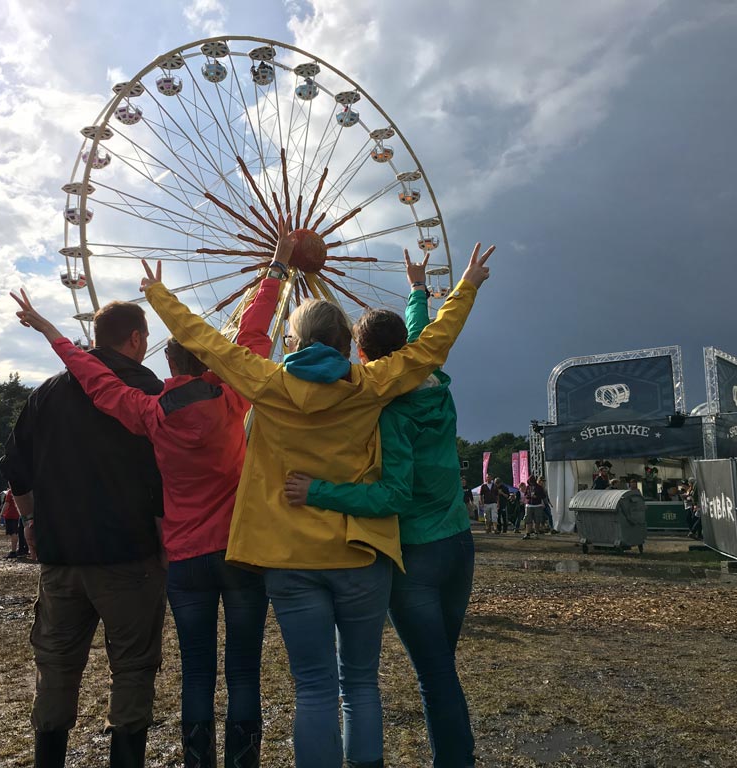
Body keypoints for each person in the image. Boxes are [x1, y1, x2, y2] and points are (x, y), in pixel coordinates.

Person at [138, 239, 493, 768]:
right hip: (360, 551)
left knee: (313, 689)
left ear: (295, 340)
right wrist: (464, 287)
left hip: (289, 556)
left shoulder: (267, 382)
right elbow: (429, 348)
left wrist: (159, 296)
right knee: (361, 686)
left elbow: (208, 344)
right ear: (346, 343)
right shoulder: (370, 383)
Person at [12, 221, 291, 768]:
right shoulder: (233, 397)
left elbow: (95, 379)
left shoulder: (149, 411)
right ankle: (239, 760)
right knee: (234, 669)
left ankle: (191, 760)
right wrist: (275, 271)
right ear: (212, 363)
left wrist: (51, 331)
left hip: (174, 558)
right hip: (231, 550)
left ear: (168, 361)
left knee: (186, 670)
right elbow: (255, 336)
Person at [282, 250, 478, 767]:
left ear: (363, 356)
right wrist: (418, 291)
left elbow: (392, 495)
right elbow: (421, 342)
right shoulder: (439, 386)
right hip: (460, 540)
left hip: (416, 551)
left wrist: (318, 491)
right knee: (442, 670)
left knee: (434, 677)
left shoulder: (388, 408)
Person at [1, 297, 168, 768]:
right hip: (129, 557)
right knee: (132, 671)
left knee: (55, 668)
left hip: (61, 558)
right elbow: (164, 473)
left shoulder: (50, 392)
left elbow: (14, 465)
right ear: (135, 339)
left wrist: (30, 520)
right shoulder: (148, 389)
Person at [1, 487, 22, 559]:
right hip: (17, 515)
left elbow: (6, 504)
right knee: (15, 533)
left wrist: (1, 515)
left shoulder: (10, 492)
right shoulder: (20, 489)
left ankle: (13, 552)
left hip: (10, 515)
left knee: (13, 533)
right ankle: (16, 550)